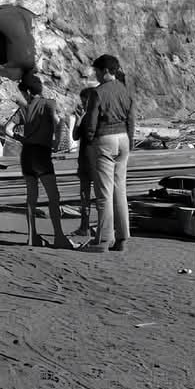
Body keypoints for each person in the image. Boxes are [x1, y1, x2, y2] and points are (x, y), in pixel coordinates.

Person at [8, 74, 74, 250]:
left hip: (27, 154)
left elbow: (7, 129)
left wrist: (21, 138)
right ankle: (59, 236)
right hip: (42, 153)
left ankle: (32, 236)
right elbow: (60, 123)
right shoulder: (49, 104)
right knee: (53, 196)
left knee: (31, 197)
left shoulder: (23, 108)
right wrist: (56, 142)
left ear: (28, 91)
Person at [80, 54, 135, 253]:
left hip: (105, 140)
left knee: (104, 193)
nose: (95, 75)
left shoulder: (98, 92)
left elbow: (92, 121)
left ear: (104, 71)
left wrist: (89, 138)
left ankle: (103, 240)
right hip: (124, 140)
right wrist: (130, 140)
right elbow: (131, 119)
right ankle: (122, 239)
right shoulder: (125, 90)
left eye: (96, 71)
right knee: (120, 191)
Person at [72, 87, 97, 238]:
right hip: (89, 160)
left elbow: (81, 136)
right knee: (87, 196)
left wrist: (80, 120)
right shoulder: (91, 116)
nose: (82, 104)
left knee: (87, 196)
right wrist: (78, 120)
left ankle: (86, 226)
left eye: (84, 101)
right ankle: (85, 226)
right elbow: (75, 136)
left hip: (91, 160)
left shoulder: (91, 117)